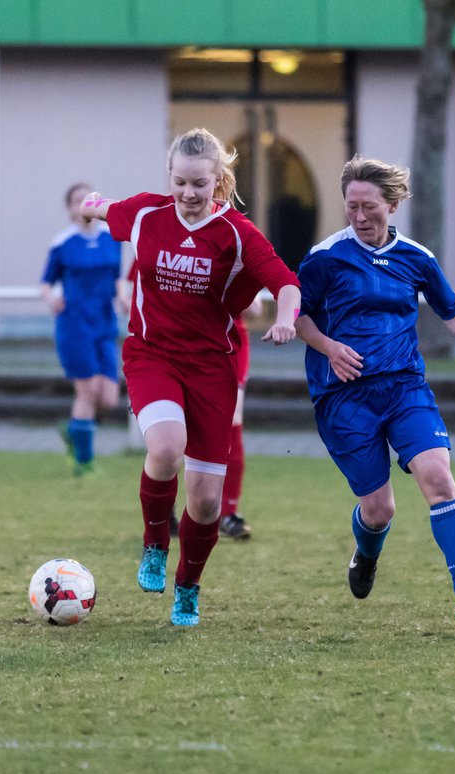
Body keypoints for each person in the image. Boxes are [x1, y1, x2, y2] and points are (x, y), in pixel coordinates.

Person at [78, 127, 301, 627]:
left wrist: (286, 318)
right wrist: (90, 204)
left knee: (204, 503)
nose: (188, 193)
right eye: (180, 182)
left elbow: (285, 281)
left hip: (211, 369)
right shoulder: (146, 214)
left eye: (199, 184)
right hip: (151, 355)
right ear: (169, 177)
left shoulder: (237, 233)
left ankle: (188, 587)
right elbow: (105, 208)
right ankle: (154, 543)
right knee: (164, 448)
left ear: (218, 180)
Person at [294, 156, 455, 625]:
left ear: (393, 204)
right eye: (352, 207)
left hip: (405, 387)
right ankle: (366, 555)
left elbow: (451, 308)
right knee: (379, 507)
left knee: (438, 477)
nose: (360, 216)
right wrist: (328, 347)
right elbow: (298, 315)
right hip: (344, 398)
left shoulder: (416, 257)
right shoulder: (325, 258)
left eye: (370, 207)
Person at [40, 183, 125, 476]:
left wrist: (124, 296)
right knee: (88, 392)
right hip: (74, 325)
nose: (85, 204)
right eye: (78, 201)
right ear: (70, 209)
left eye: (90, 199)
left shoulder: (111, 238)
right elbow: (45, 283)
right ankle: (83, 462)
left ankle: (74, 429)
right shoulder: (62, 243)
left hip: (104, 323)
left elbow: (117, 278)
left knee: (110, 399)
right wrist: (51, 299)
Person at [219, 295, 265, 540]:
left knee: (232, 420)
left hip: (232, 344)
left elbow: (256, 308)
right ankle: (169, 511)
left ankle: (228, 512)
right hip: (188, 341)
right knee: (183, 429)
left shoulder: (240, 256)